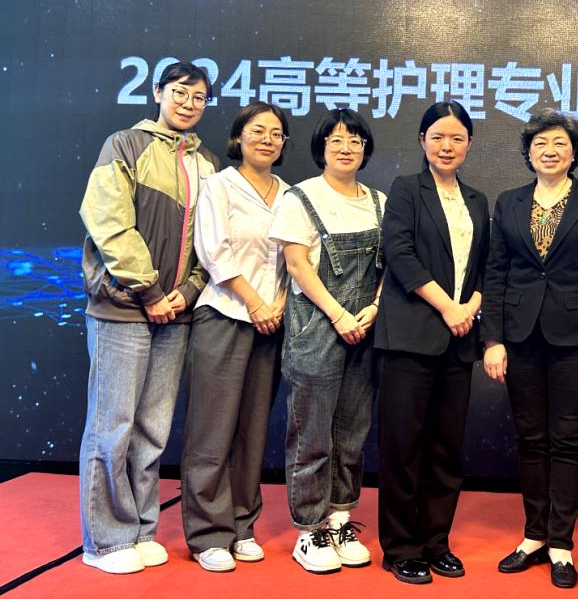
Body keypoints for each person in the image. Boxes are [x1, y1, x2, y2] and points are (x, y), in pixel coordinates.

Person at [79, 61, 218, 574]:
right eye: (180, 92)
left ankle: (139, 529)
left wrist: (187, 292)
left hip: (175, 313)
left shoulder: (208, 163)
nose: (188, 103)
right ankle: (105, 542)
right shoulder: (125, 145)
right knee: (112, 425)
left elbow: (211, 242)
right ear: (158, 92)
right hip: (123, 307)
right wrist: (152, 291)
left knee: (153, 430)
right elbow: (110, 223)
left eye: (198, 97)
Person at [481, 108, 578, 589]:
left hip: (574, 340)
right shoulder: (510, 201)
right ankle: (533, 535)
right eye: (540, 143)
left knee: (567, 440)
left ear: (574, 152)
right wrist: (493, 339)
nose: (550, 150)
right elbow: (495, 273)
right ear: (528, 152)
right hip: (520, 337)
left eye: (560, 143)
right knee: (530, 439)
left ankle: (561, 542)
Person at [375, 102, 490, 584]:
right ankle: (401, 546)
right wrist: (448, 307)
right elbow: (399, 254)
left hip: (459, 341)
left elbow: (488, 265)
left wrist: (470, 307)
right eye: (438, 136)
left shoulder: (477, 200)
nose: (447, 146)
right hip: (410, 337)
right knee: (403, 446)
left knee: (445, 449)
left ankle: (435, 541)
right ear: (422, 141)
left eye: (457, 138)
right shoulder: (406, 189)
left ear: (469, 144)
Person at [269, 108, 385, 574]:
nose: (345, 148)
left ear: (365, 149)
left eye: (355, 140)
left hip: (365, 327)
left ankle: (340, 520)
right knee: (311, 432)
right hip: (316, 327)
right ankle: (310, 529)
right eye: (336, 140)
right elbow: (297, 265)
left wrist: (374, 308)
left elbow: (390, 264)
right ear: (321, 148)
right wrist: (338, 315)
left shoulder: (379, 201)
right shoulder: (300, 198)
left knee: (352, 432)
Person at [180, 102, 291, 572]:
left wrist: (277, 304)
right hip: (225, 315)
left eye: (276, 133)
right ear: (239, 137)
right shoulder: (219, 185)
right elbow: (214, 251)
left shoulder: (290, 195)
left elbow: (294, 259)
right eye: (257, 130)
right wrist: (255, 303)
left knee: (252, 431)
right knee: (212, 430)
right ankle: (208, 533)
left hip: (272, 324)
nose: (267, 139)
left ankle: (242, 524)